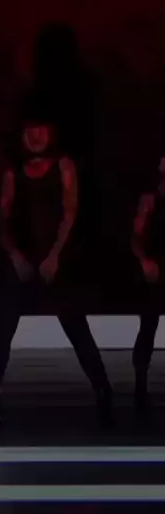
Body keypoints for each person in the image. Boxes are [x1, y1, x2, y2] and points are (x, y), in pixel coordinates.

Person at [0, 107, 115, 429]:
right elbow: (3, 220)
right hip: (24, 257)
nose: (35, 136)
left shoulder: (63, 165)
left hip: (57, 257)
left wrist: (56, 255)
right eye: (29, 130)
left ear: (51, 132)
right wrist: (15, 256)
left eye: (41, 129)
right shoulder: (13, 172)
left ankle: (104, 392)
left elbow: (70, 213)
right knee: (2, 326)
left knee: (75, 325)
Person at [131, 154, 165, 421]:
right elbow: (136, 237)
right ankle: (140, 384)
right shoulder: (150, 200)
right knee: (149, 325)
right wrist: (144, 261)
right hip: (156, 269)